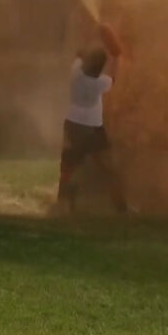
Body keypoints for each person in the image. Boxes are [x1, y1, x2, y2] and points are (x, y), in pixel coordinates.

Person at [56, 24, 128, 214]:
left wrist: (93, 33)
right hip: (93, 129)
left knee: (67, 168)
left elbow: (79, 55)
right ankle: (120, 205)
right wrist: (116, 54)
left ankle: (64, 199)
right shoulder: (98, 84)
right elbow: (114, 76)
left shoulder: (76, 74)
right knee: (108, 168)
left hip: (73, 126)